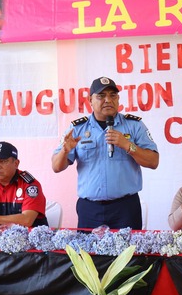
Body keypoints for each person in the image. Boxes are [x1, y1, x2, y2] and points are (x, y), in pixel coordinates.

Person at [51, 76, 159, 229]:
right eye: (101, 96)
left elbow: (153, 161)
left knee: (129, 253)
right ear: (90, 100)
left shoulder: (134, 126)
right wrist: (64, 151)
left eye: (112, 95)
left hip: (125, 209)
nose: (108, 100)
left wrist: (128, 145)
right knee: (88, 253)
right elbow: (56, 166)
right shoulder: (77, 128)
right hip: (90, 209)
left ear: (118, 99)